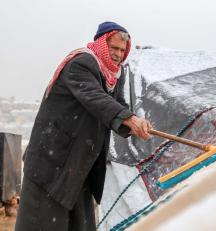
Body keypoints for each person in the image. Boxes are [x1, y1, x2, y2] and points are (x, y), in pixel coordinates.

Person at [15, 21, 152, 231]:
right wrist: (129, 119)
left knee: (80, 225)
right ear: (101, 44)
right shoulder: (82, 63)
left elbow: (116, 104)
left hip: (79, 162)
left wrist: (132, 122)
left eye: (122, 50)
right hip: (53, 160)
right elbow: (94, 97)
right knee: (44, 223)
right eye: (113, 48)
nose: (117, 54)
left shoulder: (115, 73)